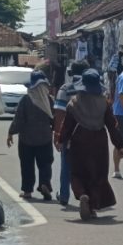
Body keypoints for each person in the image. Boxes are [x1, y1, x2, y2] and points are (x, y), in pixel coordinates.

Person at [60, 69, 123, 221]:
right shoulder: (104, 103)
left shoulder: (73, 103)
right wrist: (119, 145)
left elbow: (67, 127)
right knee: (97, 175)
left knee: (77, 174)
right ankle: (92, 208)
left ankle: (82, 195)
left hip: (79, 141)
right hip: (99, 143)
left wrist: (62, 141)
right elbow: (112, 126)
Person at [7, 71, 55, 200]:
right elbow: (54, 119)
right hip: (45, 138)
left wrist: (11, 132)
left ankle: (27, 191)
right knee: (45, 164)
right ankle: (44, 184)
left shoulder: (26, 100)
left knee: (27, 165)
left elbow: (19, 119)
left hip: (26, 139)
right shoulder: (49, 100)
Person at [53, 60, 90, 206]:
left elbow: (59, 114)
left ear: (70, 72)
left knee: (66, 166)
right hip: (89, 135)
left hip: (69, 136)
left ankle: (64, 196)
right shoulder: (93, 88)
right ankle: (86, 195)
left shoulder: (65, 88)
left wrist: (57, 135)